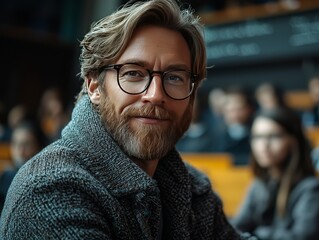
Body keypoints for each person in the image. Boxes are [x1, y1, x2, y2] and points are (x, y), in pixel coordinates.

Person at [0, 1, 255, 239]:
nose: (155, 95)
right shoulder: (50, 190)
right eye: (133, 73)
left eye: (175, 77)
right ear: (94, 86)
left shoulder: (192, 189)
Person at [231, 108, 319, 240]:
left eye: (274, 136)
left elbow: (303, 237)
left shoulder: (313, 189)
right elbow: (236, 228)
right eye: (257, 137)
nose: (263, 145)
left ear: (293, 141)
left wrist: (259, 233)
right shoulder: (259, 184)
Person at [0, 120, 46, 211]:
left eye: (26, 145)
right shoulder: (6, 176)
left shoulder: (43, 180)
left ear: (38, 147)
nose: (20, 151)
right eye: (15, 144)